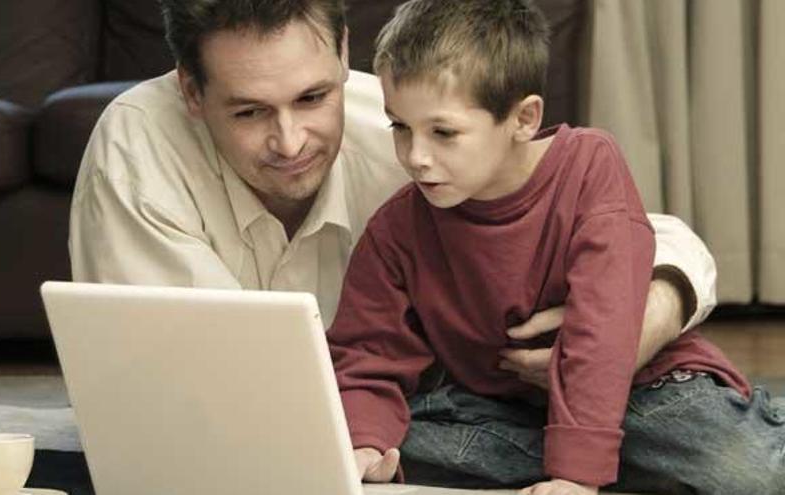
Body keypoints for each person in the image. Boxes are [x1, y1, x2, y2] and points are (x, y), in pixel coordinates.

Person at [66, 0, 734, 486]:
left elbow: (646, 231)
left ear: (344, 48)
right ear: (191, 91)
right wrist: (361, 437)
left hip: (561, 393)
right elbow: (180, 396)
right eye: (249, 112)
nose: (292, 141)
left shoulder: (418, 120)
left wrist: (645, 316)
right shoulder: (138, 151)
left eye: (312, 96)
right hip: (403, 409)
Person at [327, 1, 785, 494]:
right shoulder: (398, 226)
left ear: (524, 118)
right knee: (395, 443)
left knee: (745, 473)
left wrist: (575, 477)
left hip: (642, 390)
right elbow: (369, 353)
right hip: (506, 410)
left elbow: (600, 331)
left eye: (443, 133)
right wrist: (365, 444)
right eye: (400, 127)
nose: (414, 157)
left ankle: (602, 460)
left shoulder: (590, 166)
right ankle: (615, 466)